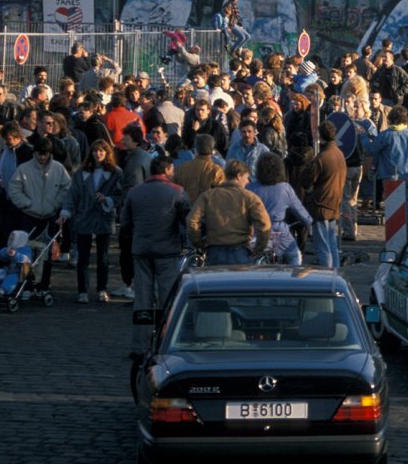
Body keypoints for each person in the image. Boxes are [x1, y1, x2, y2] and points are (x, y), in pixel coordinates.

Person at [122, 156, 190, 355]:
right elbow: (186, 219)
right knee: (167, 298)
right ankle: (165, 342)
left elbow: (125, 221)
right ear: (168, 169)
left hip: (142, 250)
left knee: (142, 298)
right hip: (167, 251)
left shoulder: (135, 192)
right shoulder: (177, 192)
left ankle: (140, 346)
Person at [58, 139, 123, 304]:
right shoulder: (81, 173)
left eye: (102, 150)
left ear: (107, 153)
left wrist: (107, 199)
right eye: (95, 150)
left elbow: (120, 194)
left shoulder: (116, 173)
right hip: (84, 217)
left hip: (103, 217)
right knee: (83, 257)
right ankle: (83, 290)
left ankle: (102, 289)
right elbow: (72, 194)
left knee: (103, 257)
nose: (98, 154)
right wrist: (66, 212)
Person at [7, 136, 71, 296]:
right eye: (40, 153)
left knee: (47, 254)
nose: (42, 157)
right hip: (28, 216)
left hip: (49, 217)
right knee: (26, 254)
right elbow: (14, 189)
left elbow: (67, 188)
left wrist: (55, 204)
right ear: (34, 152)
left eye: (45, 154)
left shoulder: (58, 169)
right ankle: (27, 286)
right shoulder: (24, 169)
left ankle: (44, 286)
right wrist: (27, 204)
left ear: (50, 153)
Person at [186, 159, 271, 265]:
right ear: (239, 176)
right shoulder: (250, 197)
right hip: (241, 251)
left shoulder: (208, 195)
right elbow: (264, 224)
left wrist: (198, 243)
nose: (248, 181)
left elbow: (192, 221)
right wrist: (259, 248)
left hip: (214, 252)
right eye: (246, 177)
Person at [368, 106, 408, 241]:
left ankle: (393, 238)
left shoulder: (385, 135)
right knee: (407, 207)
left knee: (391, 207)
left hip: (389, 176)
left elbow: (373, 150)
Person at [247, 151, 312, 266]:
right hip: (281, 233)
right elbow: (300, 212)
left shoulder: (251, 188)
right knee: (295, 256)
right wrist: (310, 224)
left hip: (258, 233)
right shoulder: (285, 188)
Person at [301, 121, 347, 268]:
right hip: (334, 203)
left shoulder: (322, 157)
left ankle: (326, 274)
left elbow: (306, 181)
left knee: (322, 246)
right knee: (332, 244)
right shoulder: (340, 154)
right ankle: (336, 272)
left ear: (320, 136)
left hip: (320, 204)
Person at [173, 134, 226, 205]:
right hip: (206, 210)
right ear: (212, 149)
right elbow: (221, 195)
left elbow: (175, 188)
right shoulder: (217, 170)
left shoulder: (183, 167)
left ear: (196, 149)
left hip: (186, 210)